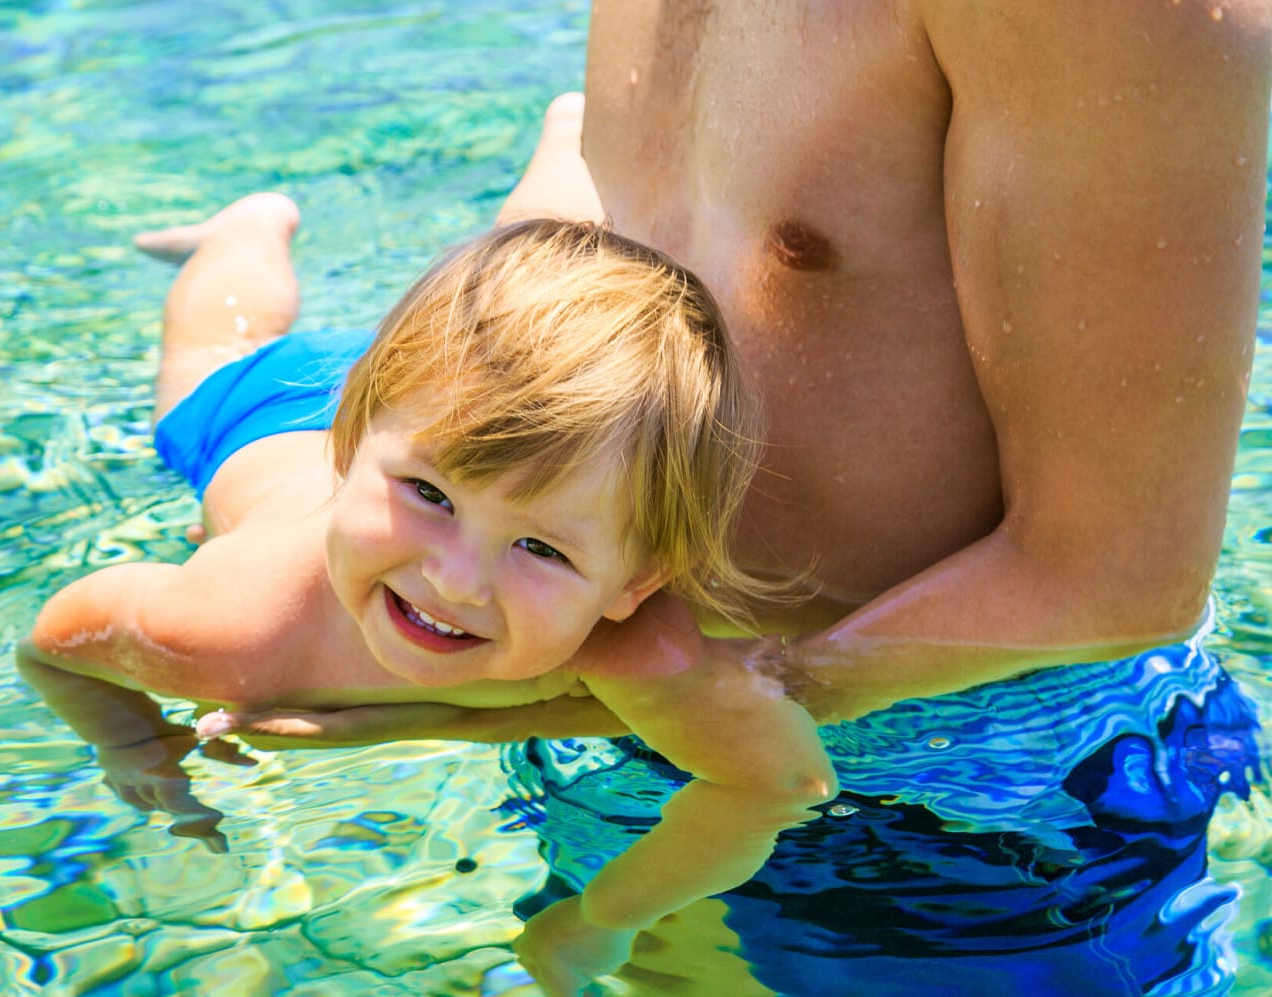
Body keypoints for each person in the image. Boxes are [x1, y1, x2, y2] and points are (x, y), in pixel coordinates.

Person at [200, 3, 1272, 994]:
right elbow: (628, 233)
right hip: (646, 701)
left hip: (971, 809)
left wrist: (649, 703)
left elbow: (1116, 576)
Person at [17, 199, 837, 982]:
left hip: (439, 414)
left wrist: (605, 916)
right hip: (268, 414)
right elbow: (55, 648)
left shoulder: (634, 646)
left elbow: (780, 782)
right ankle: (242, 233)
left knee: (541, 262)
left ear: (634, 583)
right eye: (428, 500)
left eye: (539, 548)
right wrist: (135, 746)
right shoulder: (227, 634)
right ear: (350, 440)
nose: (454, 581)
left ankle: (562, 148)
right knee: (211, 348)